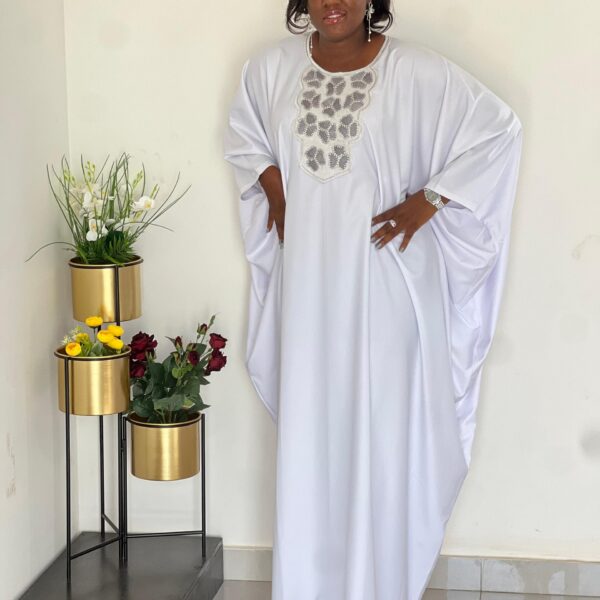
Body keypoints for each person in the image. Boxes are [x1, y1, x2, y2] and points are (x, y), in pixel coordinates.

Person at [223, 1, 523, 598]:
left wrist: (429, 200)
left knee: (381, 435)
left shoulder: (417, 72)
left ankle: (377, 584)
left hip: (386, 286)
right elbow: (245, 138)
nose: (332, 2)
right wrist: (277, 193)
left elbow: (498, 131)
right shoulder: (269, 70)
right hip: (309, 292)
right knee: (316, 433)